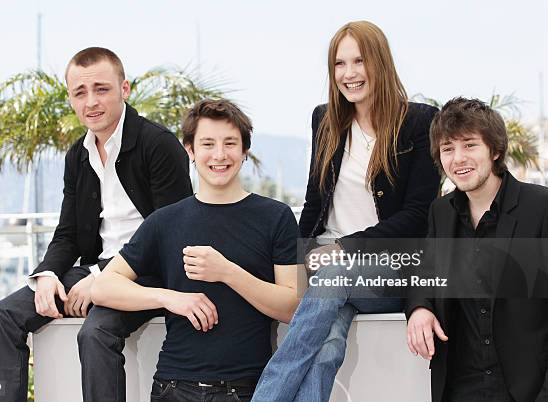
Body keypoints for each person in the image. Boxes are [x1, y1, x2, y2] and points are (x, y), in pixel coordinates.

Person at [0, 47, 192, 402]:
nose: (91, 101)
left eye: (101, 89)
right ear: (71, 98)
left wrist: (100, 278)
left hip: (149, 275)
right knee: (2, 315)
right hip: (95, 272)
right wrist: (47, 275)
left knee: (95, 334)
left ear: (124, 89)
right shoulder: (78, 156)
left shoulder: (157, 144)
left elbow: (169, 234)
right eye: (80, 92)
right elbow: (67, 234)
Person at [251, 20, 440, 402]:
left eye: (359, 61)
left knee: (333, 281)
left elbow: (419, 214)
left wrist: (346, 249)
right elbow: (314, 202)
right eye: (340, 63)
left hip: (387, 265)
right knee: (328, 344)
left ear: (380, 63)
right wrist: (298, 262)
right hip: (327, 269)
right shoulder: (326, 119)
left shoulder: (419, 121)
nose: (349, 74)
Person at [90, 98, 303, 402]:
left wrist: (227, 272)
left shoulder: (277, 216)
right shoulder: (164, 221)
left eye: (230, 143)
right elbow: (103, 287)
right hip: (172, 387)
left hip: (246, 390)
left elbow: (295, 306)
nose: (219, 155)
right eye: (207, 144)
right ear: (190, 150)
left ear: (245, 150)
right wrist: (169, 297)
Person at [406, 97, 548, 402]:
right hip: (459, 387)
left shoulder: (540, 207)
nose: (458, 158)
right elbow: (426, 273)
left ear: (494, 150)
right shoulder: (440, 212)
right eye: (448, 149)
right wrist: (420, 308)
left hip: (527, 389)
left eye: (469, 145)